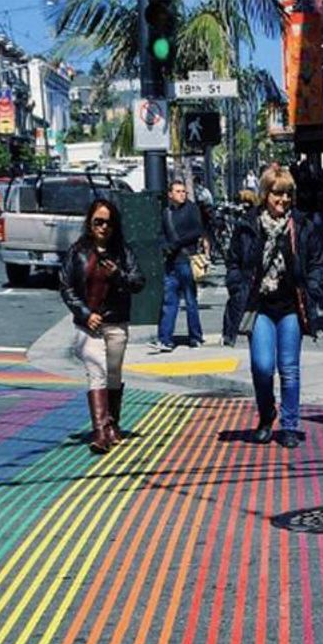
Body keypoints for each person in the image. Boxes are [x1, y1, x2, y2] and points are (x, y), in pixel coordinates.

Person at [225, 165, 323, 449]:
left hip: (291, 306)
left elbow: (317, 262)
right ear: (265, 194)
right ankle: (267, 415)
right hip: (259, 306)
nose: (282, 200)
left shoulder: (302, 225)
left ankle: (290, 424)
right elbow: (234, 262)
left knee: (289, 368)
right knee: (262, 367)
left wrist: (313, 289)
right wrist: (236, 287)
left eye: (287, 194)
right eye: (276, 193)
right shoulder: (248, 225)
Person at [58, 199, 145, 453]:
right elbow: (66, 287)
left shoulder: (123, 252)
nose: (103, 227)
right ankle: (100, 432)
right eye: (98, 222)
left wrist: (118, 274)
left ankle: (112, 424)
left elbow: (138, 282)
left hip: (116, 321)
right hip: (89, 326)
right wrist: (85, 314)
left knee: (113, 374)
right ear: (90, 223)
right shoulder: (77, 251)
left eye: (108, 222)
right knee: (97, 371)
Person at [155, 180, 208, 352]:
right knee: (169, 301)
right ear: (170, 194)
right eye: (178, 191)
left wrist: (177, 244)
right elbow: (161, 233)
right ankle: (165, 339)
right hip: (171, 262)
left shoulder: (191, 209)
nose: (182, 194)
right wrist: (164, 246)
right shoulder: (166, 213)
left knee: (190, 300)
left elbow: (197, 231)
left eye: (183, 191)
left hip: (186, 259)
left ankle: (195, 336)